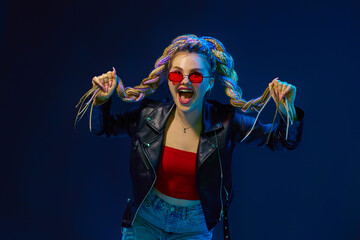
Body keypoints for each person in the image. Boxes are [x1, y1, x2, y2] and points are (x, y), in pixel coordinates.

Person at [76, 34, 304, 239]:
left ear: (209, 84)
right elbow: (103, 128)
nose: (184, 81)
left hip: (194, 227)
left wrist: (287, 112)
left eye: (195, 77)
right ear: (169, 80)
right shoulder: (147, 116)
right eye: (177, 75)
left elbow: (281, 140)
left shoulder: (226, 122)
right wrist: (102, 100)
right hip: (145, 220)